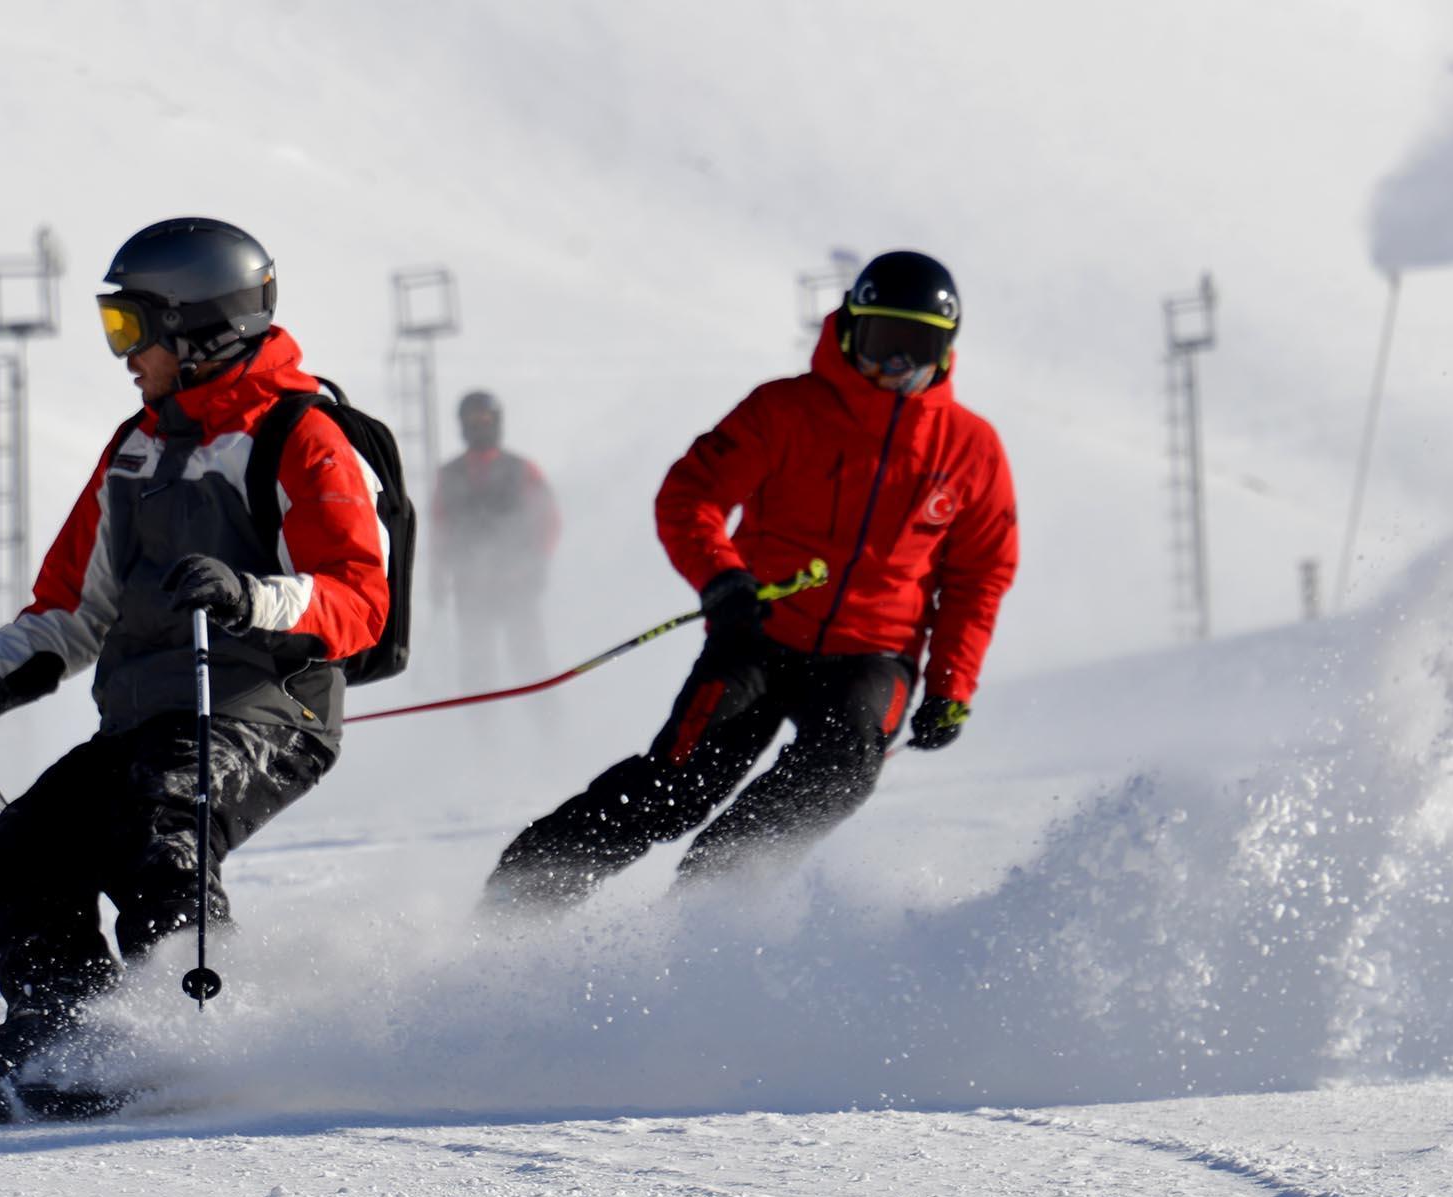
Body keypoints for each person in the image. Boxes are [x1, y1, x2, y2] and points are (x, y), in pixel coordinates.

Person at [0, 217, 390, 1085]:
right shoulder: (138, 447)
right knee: (31, 838)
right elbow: (72, 608)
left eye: (133, 328)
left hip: (268, 710)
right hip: (148, 716)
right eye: (113, 326)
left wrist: (247, 596)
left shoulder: (300, 438)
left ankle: (194, 1036)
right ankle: (67, 1032)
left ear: (202, 329)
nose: (124, 352)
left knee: (162, 819)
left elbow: (359, 597)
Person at [482, 250, 1016, 907]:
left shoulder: (970, 449)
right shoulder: (787, 410)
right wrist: (722, 578)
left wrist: (951, 684)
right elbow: (690, 495)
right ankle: (518, 900)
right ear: (849, 334)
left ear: (947, 351)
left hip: (872, 655)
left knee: (839, 772)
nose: (894, 369)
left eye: (917, 348)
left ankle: (703, 919)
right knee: (680, 787)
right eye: (881, 344)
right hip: (759, 631)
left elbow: (979, 574)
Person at [430, 390, 560, 691]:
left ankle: (548, 727)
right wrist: (438, 579)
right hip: (471, 587)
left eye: (485, 420)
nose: (479, 427)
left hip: (517, 582)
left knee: (530, 663)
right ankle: (482, 732)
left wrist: (538, 561)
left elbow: (548, 520)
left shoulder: (522, 470)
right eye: (472, 421)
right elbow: (439, 530)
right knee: (477, 669)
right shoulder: (449, 476)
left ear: (497, 422)